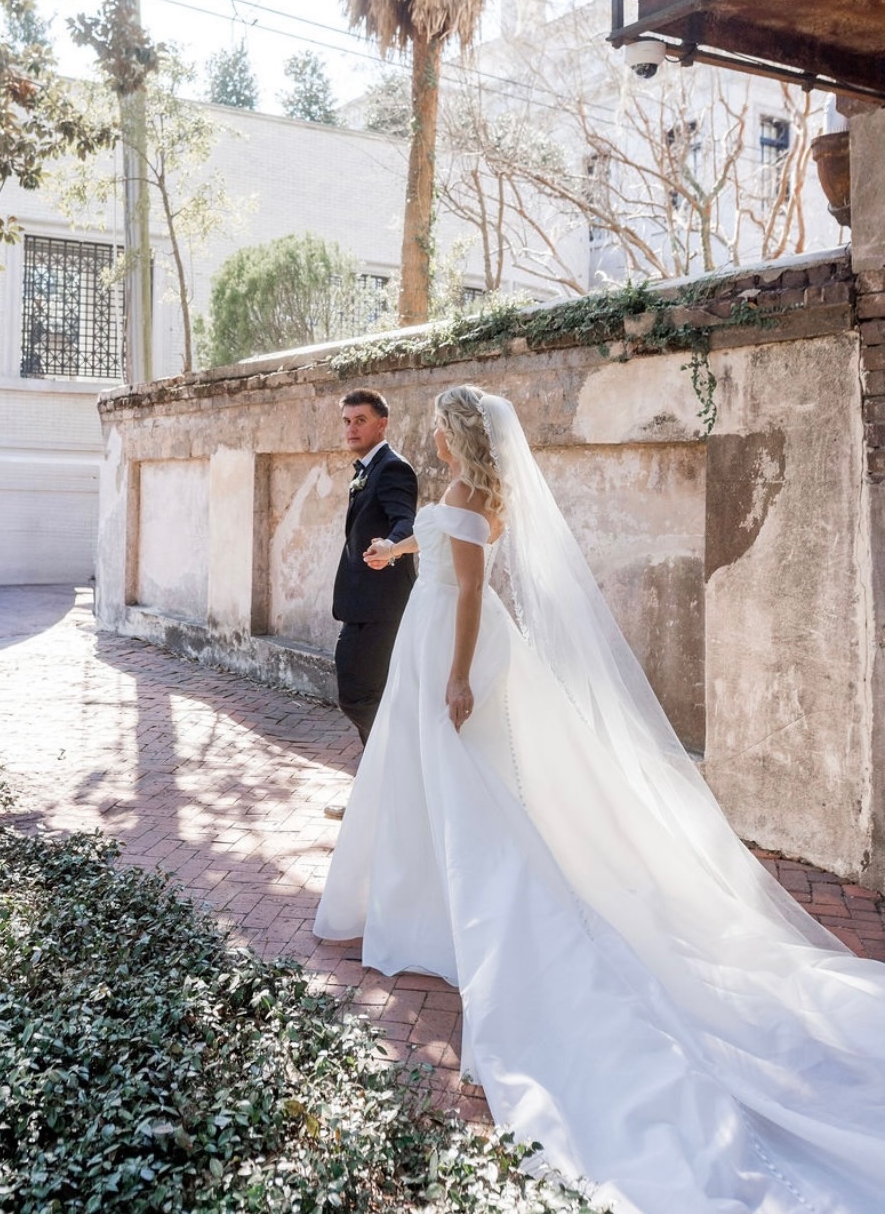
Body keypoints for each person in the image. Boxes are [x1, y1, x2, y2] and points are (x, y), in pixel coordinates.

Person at [316, 385, 885, 1214]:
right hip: (432, 632)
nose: (432, 435)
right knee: (428, 780)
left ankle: (484, 911)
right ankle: (422, 903)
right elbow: (444, 555)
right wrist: (397, 553)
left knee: (466, 787)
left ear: (456, 436)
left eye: (439, 426)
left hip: (453, 644)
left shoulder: (470, 495)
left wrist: (457, 676)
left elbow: (471, 590)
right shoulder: (468, 495)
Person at [326, 389, 417, 819]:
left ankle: (392, 779)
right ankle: (383, 786)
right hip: (361, 604)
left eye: (359, 420)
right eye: (346, 421)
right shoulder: (365, 470)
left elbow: (404, 521)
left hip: (383, 606)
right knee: (362, 692)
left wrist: (391, 545)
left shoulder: (393, 468)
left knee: (360, 694)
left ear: (382, 423)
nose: (351, 428)